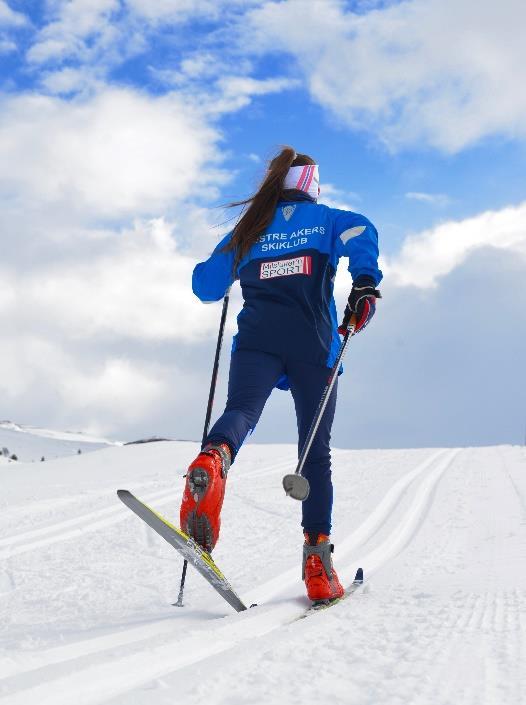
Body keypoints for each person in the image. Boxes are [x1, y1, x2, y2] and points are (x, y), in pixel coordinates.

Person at [180, 146, 382, 602]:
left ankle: (212, 461)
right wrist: (365, 283)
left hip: (256, 342)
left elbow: (206, 287)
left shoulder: (249, 230)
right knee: (315, 452)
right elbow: (361, 230)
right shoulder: (329, 219)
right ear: (311, 183)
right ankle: (317, 564)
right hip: (314, 346)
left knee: (242, 411)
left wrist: (225, 262)